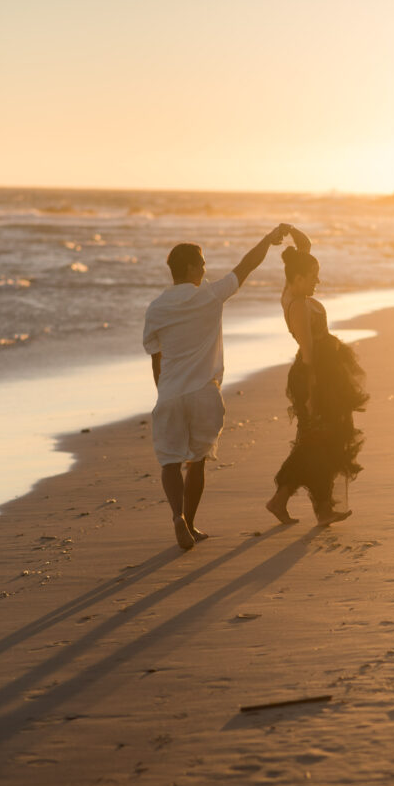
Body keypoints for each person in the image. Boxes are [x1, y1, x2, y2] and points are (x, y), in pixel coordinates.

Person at [143, 225, 288, 549]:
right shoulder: (209, 295)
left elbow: (156, 357)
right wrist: (267, 239)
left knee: (169, 462)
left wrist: (162, 391)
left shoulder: (156, 308)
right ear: (192, 268)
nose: (206, 269)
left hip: (169, 394)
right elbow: (246, 265)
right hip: (204, 393)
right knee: (197, 460)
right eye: (203, 263)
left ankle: (177, 518)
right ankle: (191, 524)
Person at [266, 225, 368, 526]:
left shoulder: (293, 289)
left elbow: (304, 249)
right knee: (318, 441)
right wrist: (312, 396)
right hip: (315, 377)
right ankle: (312, 507)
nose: (317, 281)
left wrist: (289, 231)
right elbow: (309, 355)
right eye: (312, 277)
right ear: (297, 279)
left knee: (319, 442)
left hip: (326, 374)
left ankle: (290, 502)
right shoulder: (296, 305)